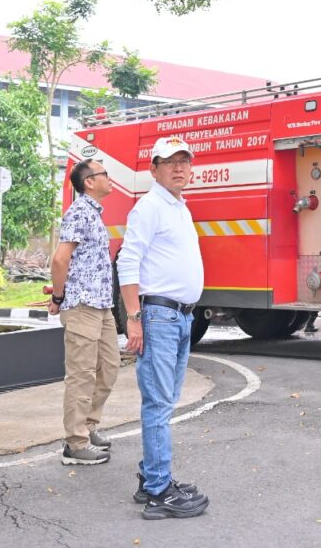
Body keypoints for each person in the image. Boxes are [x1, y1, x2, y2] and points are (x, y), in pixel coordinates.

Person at [117, 136, 209, 520]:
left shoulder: (178, 207)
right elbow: (128, 261)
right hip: (158, 317)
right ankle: (158, 491)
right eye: (169, 162)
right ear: (153, 169)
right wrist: (133, 318)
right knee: (158, 403)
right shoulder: (150, 207)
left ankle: (152, 477)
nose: (178, 168)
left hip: (180, 316)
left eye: (184, 161)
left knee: (164, 401)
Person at [50, 158, 120, 466]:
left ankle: (88, 427)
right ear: (89, 182)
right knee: (81, 375)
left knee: (109, 367)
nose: (110, 178)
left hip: (102, 305)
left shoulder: (93, 213)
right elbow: (59, 260)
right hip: (82, 306)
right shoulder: (79, 212)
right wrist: (58, 295)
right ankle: (75, 444)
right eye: (104, 173)